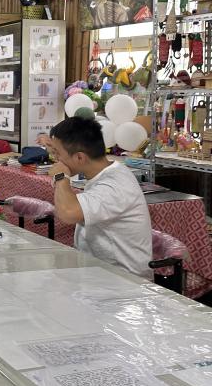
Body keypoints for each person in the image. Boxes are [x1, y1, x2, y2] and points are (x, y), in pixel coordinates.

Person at [46, 117, 152, 278]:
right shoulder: (104, 173)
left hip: (124, 282)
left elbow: (68, 213)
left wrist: (61, 177)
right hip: (96, 271)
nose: (55, 159)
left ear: (80, 157)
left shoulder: (115, 184)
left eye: (57, 153)